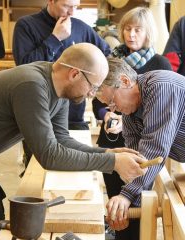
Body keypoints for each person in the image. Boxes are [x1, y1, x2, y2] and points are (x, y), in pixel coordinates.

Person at [0, 43, 147, 240]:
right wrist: (112, 164)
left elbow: (62, 140)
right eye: (93, 87)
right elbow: (49, 155)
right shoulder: (31, 85)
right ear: (75, 74)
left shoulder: (60, 93)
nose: (91, 94)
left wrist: (108, 154)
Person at [92, 7, 172, 239]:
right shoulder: (128, 101)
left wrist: (128, 195)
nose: (132, 34)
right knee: (122, 205)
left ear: (126, 81)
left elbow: (155, 144)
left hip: (160, 148)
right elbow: (138, 158)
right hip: (121, 142)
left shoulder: (159, 79)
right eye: (127, 28)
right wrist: (127, 203)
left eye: (138, 29)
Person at [13, 0, 111, 166]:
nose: (72, 12)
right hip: (38, 117)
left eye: (75, 6)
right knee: (38, 174)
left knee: (79, 170)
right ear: (51, 1)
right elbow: (25, 68)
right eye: (67, 6)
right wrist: (55, 38)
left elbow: (106, 54)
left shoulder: (81, 27)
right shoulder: (26, 25)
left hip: (74, 116)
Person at [97, 57, 185, 240]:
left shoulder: (160, 86)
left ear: (125, 81)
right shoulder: (130, 116)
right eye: (108, 106)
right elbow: (137, 163)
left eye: (113, 101)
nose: (114, 109)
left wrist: (126, 195)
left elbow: (155, 148)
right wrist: (127, 207)